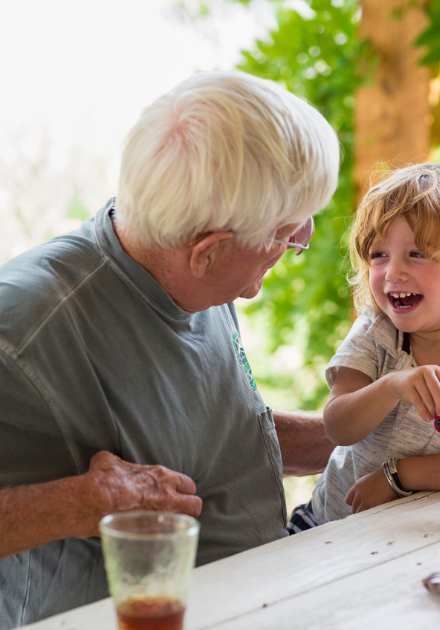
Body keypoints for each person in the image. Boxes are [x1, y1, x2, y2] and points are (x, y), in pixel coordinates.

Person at [0, 71, 339, 628]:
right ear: (207, 251)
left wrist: (368, 435)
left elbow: (211, 434)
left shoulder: (194, 274)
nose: (299, 241)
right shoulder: (22, 325)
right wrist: (80, 503)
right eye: (286, 234)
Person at [284, 162, 440, 532]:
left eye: (416, 254)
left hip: (427, 538)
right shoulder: (375, 333)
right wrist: (393, 386)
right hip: (328, 526)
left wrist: (396, 476)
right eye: (378, 255)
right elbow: (338, 426)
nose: (392, 272)